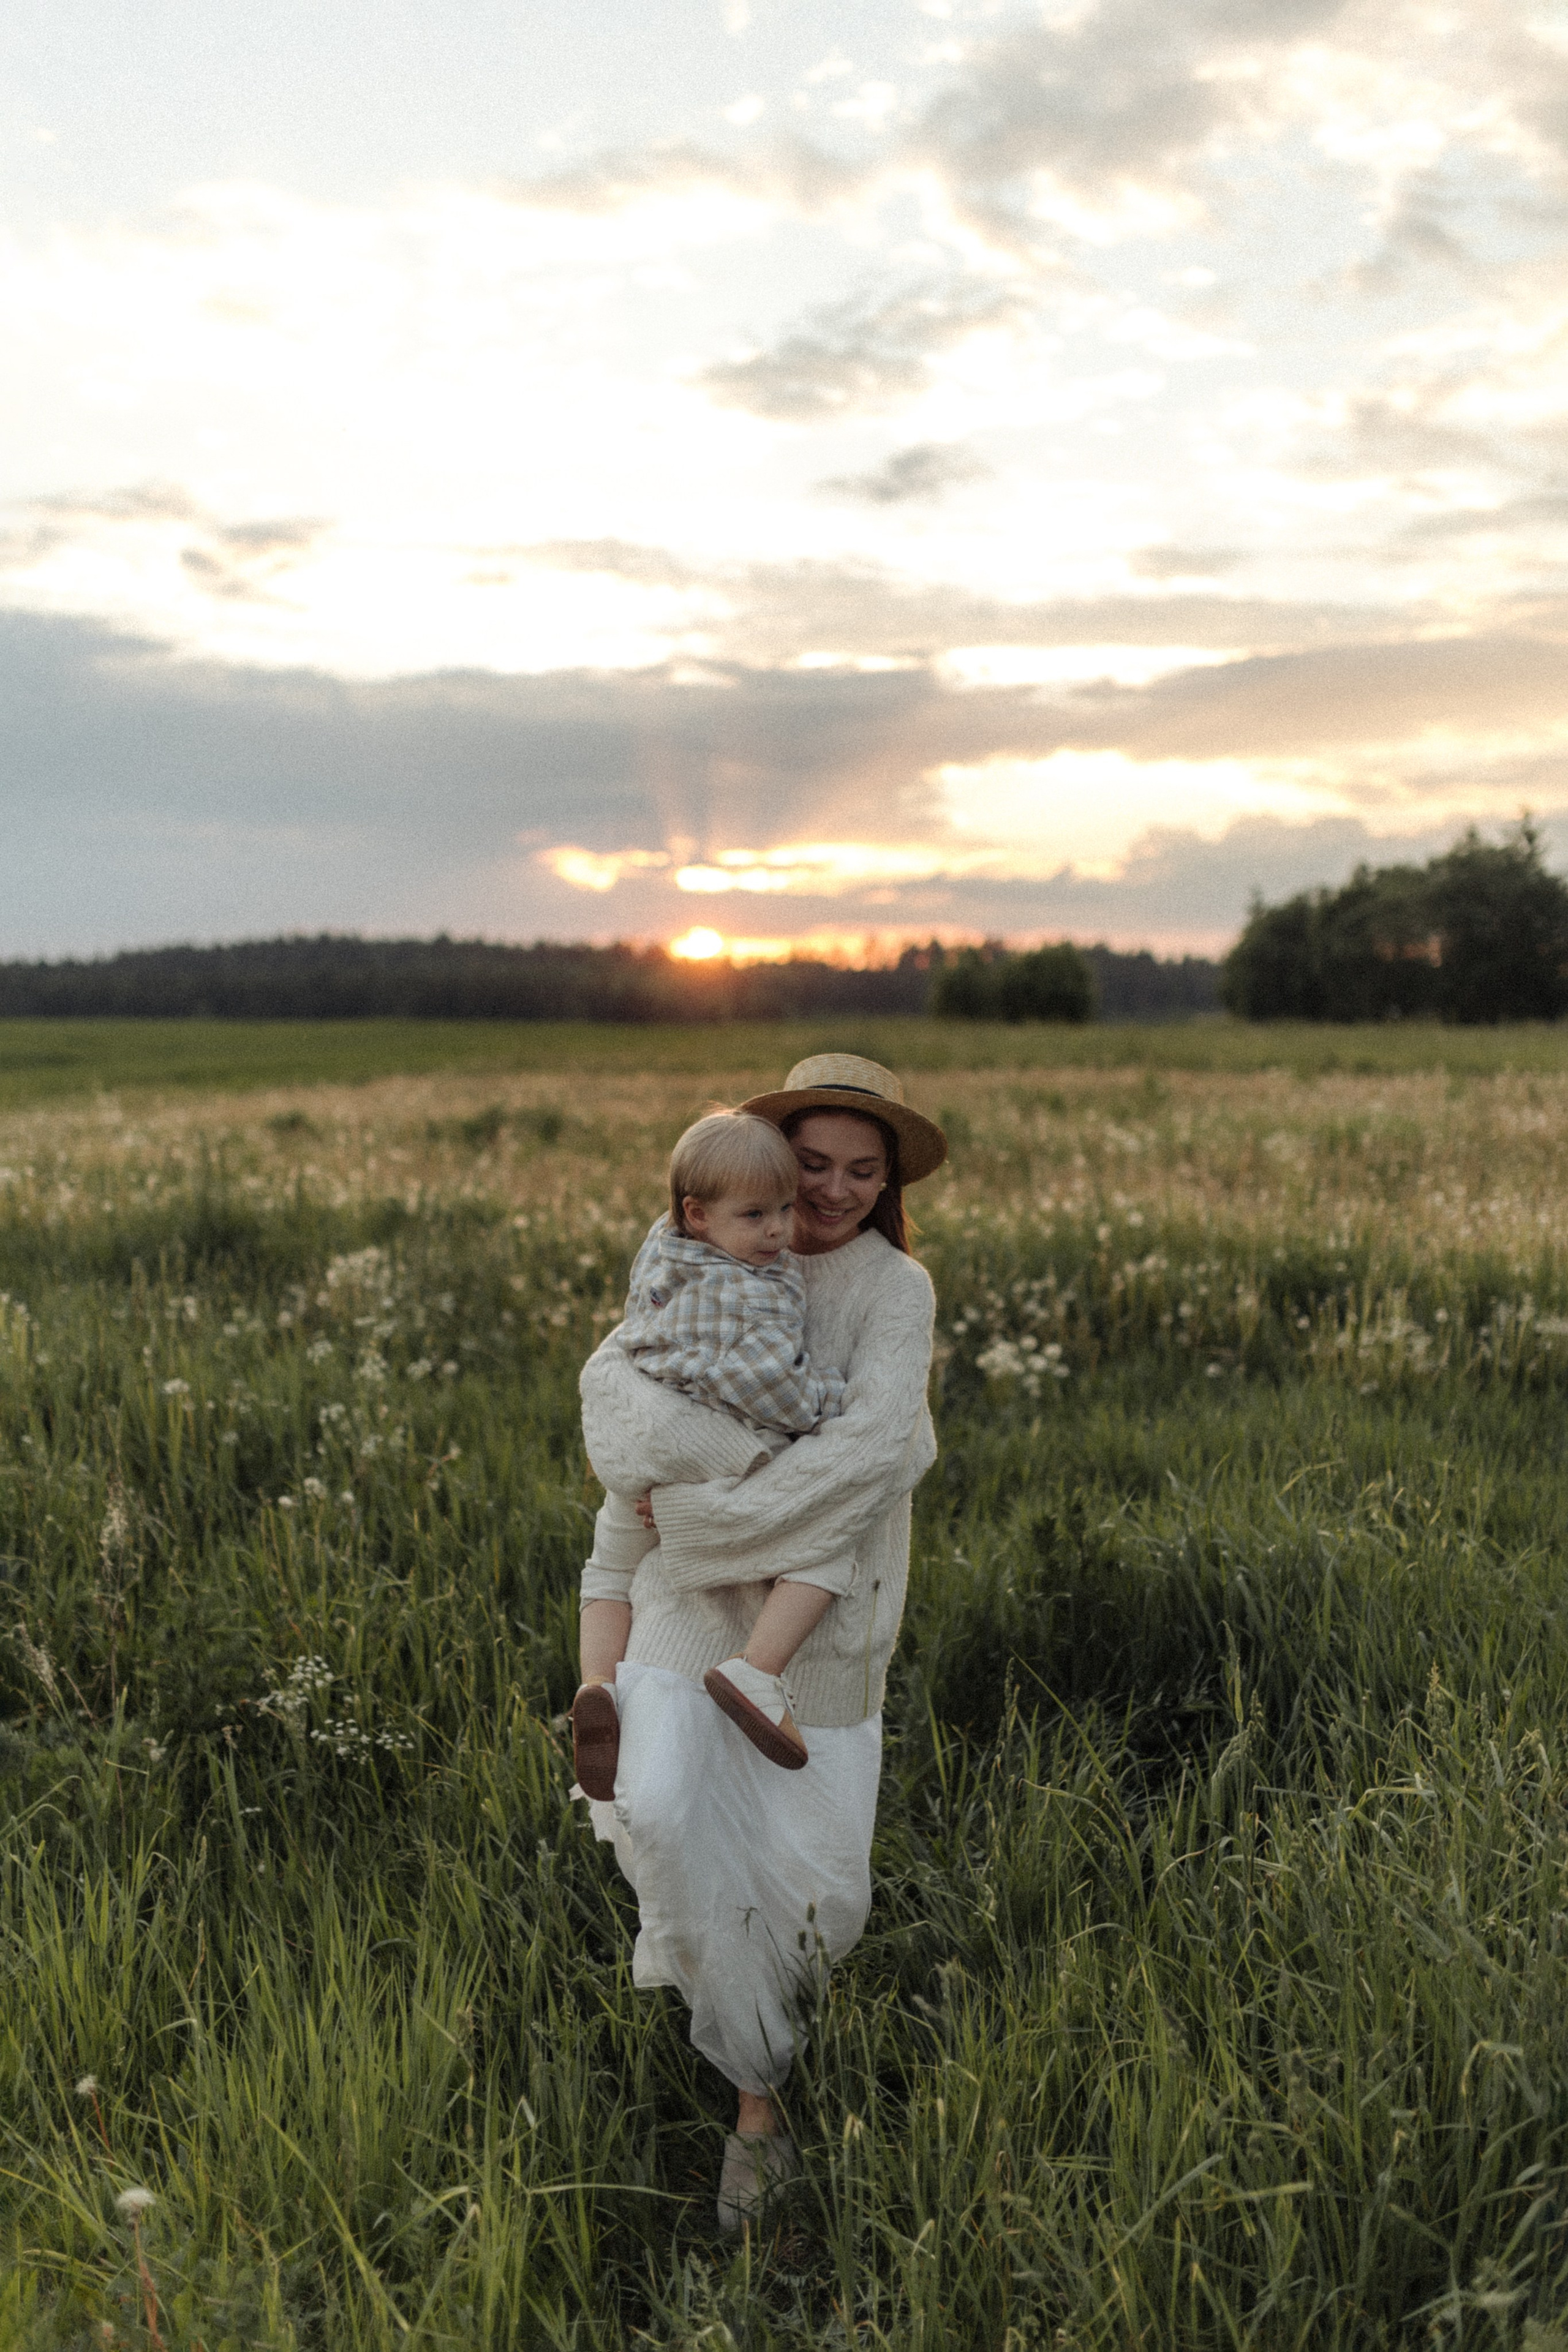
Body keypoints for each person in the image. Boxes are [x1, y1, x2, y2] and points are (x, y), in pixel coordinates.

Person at [574, 1054, 946, 2230]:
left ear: (887, 1181)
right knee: (668, 1811)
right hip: (684, 1608)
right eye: (814, 1167)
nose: (830, 1192)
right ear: (774, 1164)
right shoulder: (697, 1245)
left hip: (816, 1625)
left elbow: (879, 1453)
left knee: (814, 1889)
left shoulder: (896, 1289)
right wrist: (729, 1473)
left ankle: (766, 2045)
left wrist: (698, 1511)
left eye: (860, 1171)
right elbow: (613, 1393)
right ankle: (755, 2106)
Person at [571, 1109, 850, 1794]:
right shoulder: (744, 1298)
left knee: (606, 1571)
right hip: (717, 1455)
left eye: (785, 1209)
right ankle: (755, 1671)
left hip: (642, 1448)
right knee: (828, 1548)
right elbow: (778, 1395)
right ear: (698, 1214)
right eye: (755, 1215)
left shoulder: (663, 1248)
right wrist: (831, 1397)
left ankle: (596, 1684)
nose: (779, 1231)